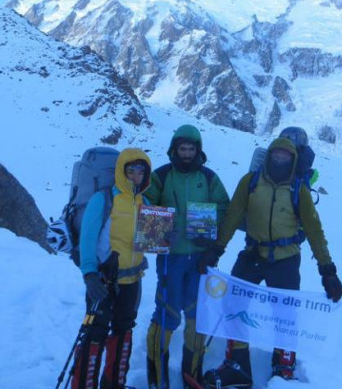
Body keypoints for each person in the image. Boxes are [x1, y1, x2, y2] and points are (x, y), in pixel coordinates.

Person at [200, 137, 342, 388]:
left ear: (293, 159)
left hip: (285, 260)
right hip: (253, 254)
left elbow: (314, 229)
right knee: (233, 304)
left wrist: (327, 270)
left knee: (285, 316)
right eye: (276, 154)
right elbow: (233, 216)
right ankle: (237, 366)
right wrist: (216, 250)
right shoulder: (250, 182)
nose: (279, 159)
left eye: (285, 156)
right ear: (268, 156)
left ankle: (283, 368)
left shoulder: (298, 189)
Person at [145, 124, 230, 389]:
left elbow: (224, 207)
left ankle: (191, 375)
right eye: (182, 148)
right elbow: (145, 205)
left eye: (191, 149)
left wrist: (210, 236)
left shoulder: (208, 178)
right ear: (174, 149)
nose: (186, 153)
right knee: (166, 314)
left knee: (196, 316)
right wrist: (159, 230)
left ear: (198, 150)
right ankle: (157, 379)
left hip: (200, 260)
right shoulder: (161, 176)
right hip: (170, 258)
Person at [72, 148, 152, 389]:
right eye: (131, 171)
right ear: (121, 171)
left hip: (132, 281)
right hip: (102, 280)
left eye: (141, 172)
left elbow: (149, 242)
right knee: (95, 333)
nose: (136, 176)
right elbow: (87, 240)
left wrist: (168, 236)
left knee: (123, 332)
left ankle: (114, 384)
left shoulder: (145, 203)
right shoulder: (103, 199)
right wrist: (89, 275)